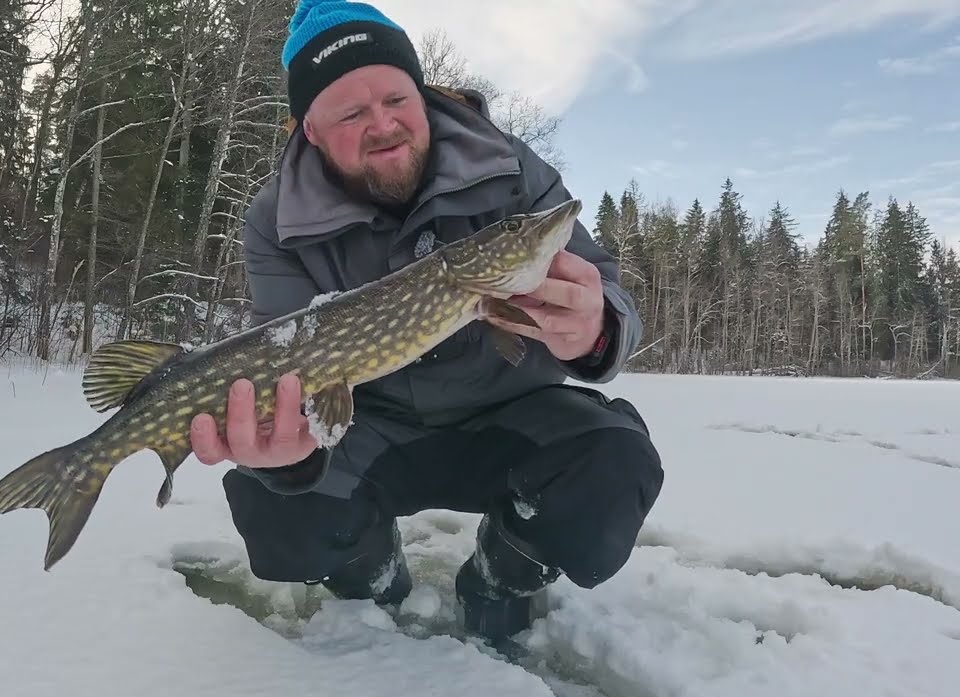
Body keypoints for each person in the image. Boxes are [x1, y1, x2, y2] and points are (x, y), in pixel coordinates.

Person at [187, 0, 664, 645]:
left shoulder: (511, 167)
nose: (383, 125)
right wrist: (288, 458)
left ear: (421, 91)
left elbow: (607, 288)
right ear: (310, 130)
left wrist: (597, 327)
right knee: (276, 505)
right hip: (369, 428)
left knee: (613, 465)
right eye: (351, 113)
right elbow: (291, 357)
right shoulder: (275, 221)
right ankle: (372, 575)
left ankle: (504, 574)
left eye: (396, 99)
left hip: (511, 415)